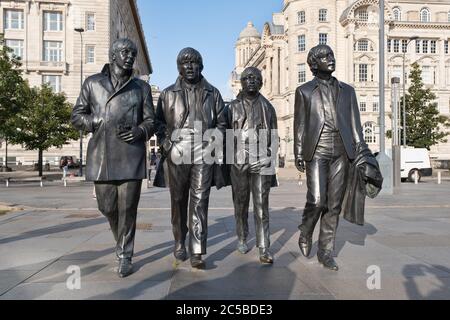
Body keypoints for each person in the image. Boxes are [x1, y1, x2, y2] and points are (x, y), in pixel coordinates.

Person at [71, 38, 155, 278]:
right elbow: (77, 116)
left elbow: (151, 121)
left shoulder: (141, 88)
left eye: (133, 53)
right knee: (107, 207)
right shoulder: (92, 83)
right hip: (102, 155)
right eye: (125, 52)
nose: (130, 56)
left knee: (128, 209)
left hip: (131, 154)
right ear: (113, 55)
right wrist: (95, 121)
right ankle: (121, 240)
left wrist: (140, 131)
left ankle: (124, 254)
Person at [294, 44, 372, 271]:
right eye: (324, 56)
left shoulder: (348, 91)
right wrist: (298, 151)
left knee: (334, 204)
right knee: (318, 200)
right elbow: (299, 125)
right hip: (316, 149)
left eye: (331, 55)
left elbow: (356, 126)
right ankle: (306, 230)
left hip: (341, 151)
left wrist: (362, 153)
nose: (330, 59)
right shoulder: (304, 91)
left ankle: (325, 251)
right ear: (314, 63)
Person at [153, 47, 227, 269]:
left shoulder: (213, 93)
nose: (190, 67)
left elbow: (223, 123)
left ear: (201, 66)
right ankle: (179, 240)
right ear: (179, 68)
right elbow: (157, 122)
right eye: (185, 63)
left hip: (203, 152)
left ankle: (197, 250)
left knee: (199, 200)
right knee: (178, 200)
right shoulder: (167, 94)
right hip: (177, 151)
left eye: (194, 63)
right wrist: (166, 142)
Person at [226, 67, 278, 264]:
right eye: (247, 78)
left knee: (262, 206)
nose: (251, 81)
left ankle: (264, 247)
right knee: (240, 204)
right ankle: (242, 236)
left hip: (261, 159)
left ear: (261, 82)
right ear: (241, 82)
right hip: (239, 159)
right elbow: (225, 135)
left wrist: (268, 157)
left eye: (255, 78)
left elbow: (274, 138)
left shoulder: (268, 107)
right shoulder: (231, 107)